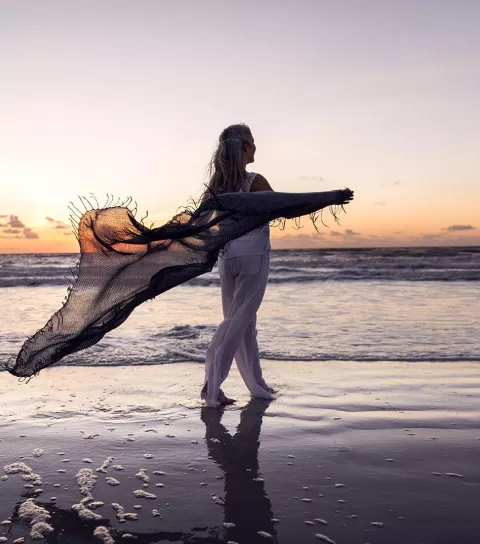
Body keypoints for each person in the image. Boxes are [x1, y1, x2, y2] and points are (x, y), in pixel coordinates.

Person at [200, 123, 278, 408]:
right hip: (254, 256)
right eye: (254, 141)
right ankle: (212, 386)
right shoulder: (254, 181)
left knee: (245, 323)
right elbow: (281, 206)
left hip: (227, 258)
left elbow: (206, 226)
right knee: (237, 323)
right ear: (244, 147)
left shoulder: (215, 188)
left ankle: (257, 384)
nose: (256, 146)